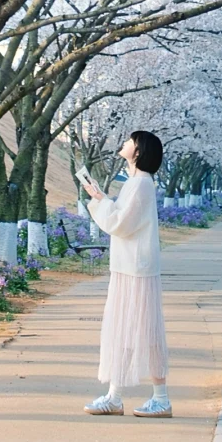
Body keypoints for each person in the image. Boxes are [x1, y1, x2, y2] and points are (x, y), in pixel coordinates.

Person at [80, 129, 171, 418]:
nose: (124, 143)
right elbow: (122, 217)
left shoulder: (142, 184)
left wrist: (99, 201)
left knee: (144, 329)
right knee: (123, 328)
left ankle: (161, 398)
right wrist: (101, 197)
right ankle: (115, 397)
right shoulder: (135, 183)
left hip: (137, 270)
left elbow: (120, 223)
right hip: (128, 267)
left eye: (130, 141)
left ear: (138, 151)